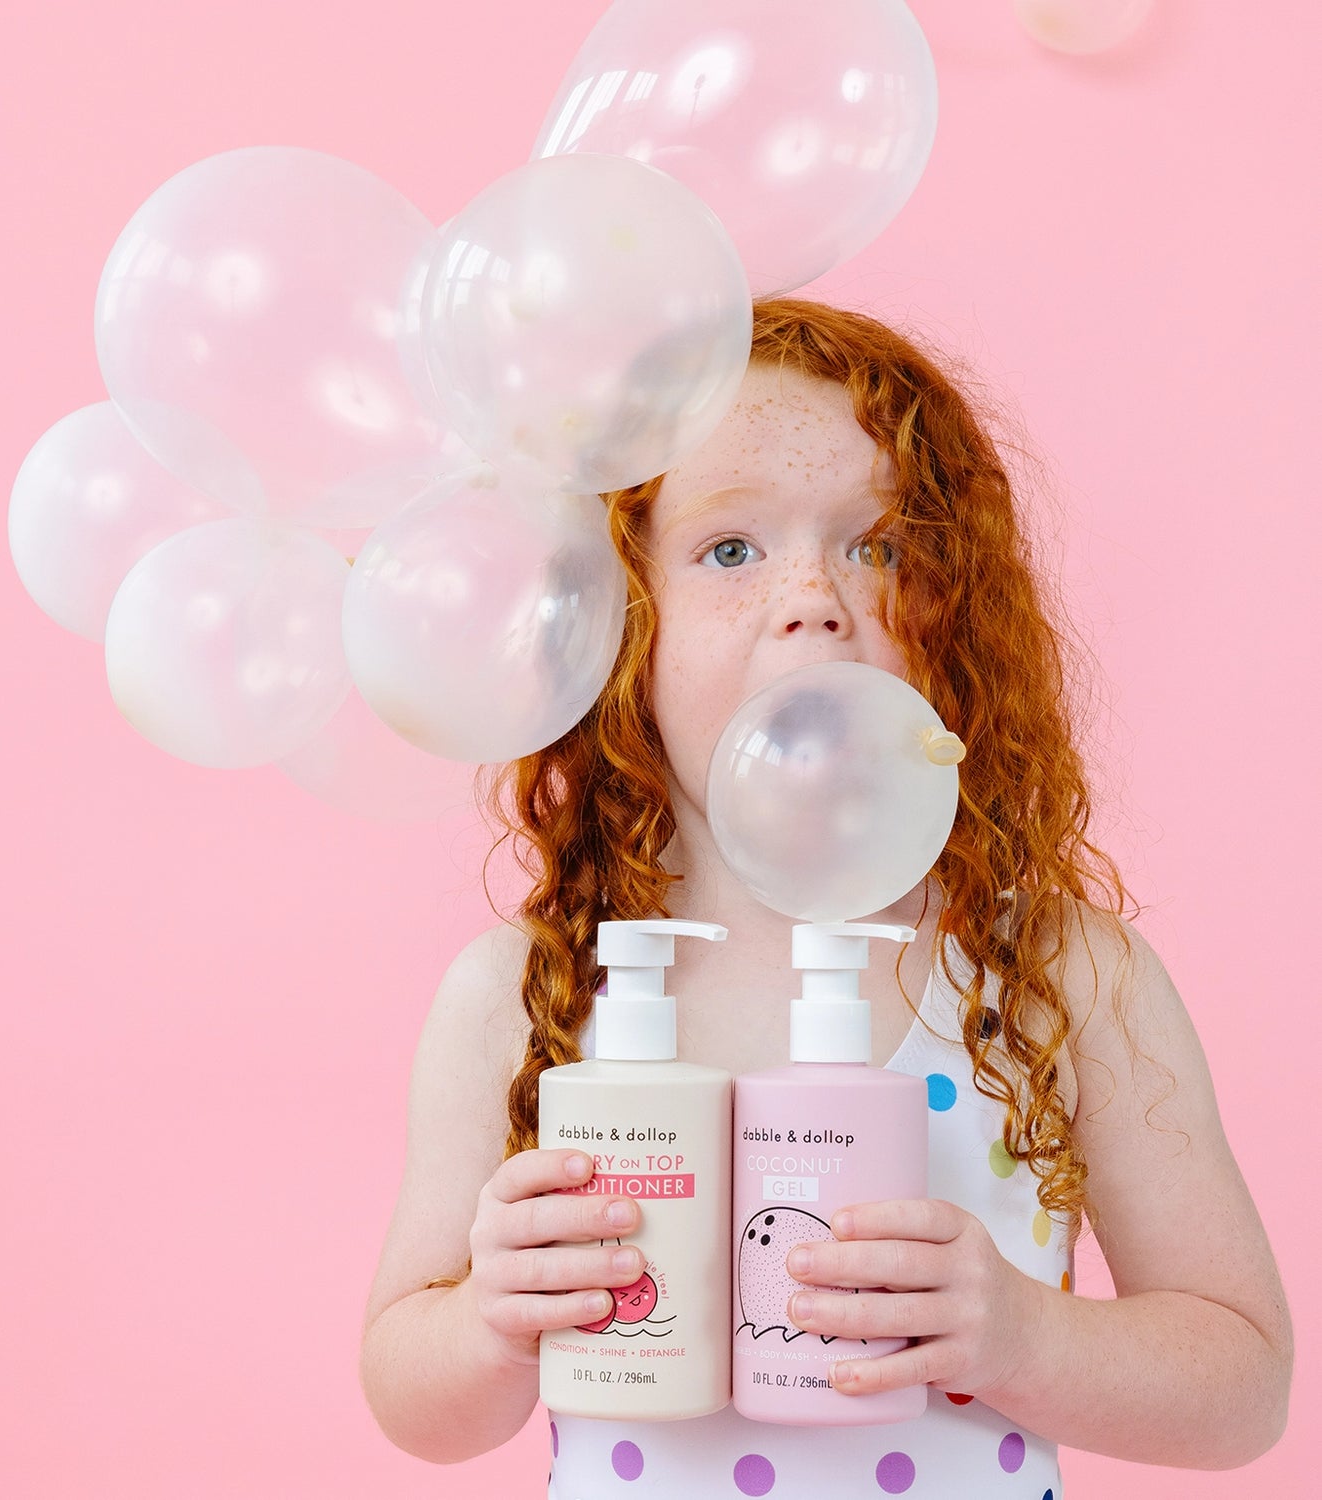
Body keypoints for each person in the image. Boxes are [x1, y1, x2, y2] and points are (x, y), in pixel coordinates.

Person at [358, 298, 1292, 1495]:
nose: (814, 596)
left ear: (959, 619)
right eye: (731, 549)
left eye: (880, 544)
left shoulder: (1062, 975)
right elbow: (408, 1393)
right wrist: (492, 1316)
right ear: (614, 623)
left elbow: (1245, 1385)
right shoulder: (526, 993)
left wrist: (1024, 1336)